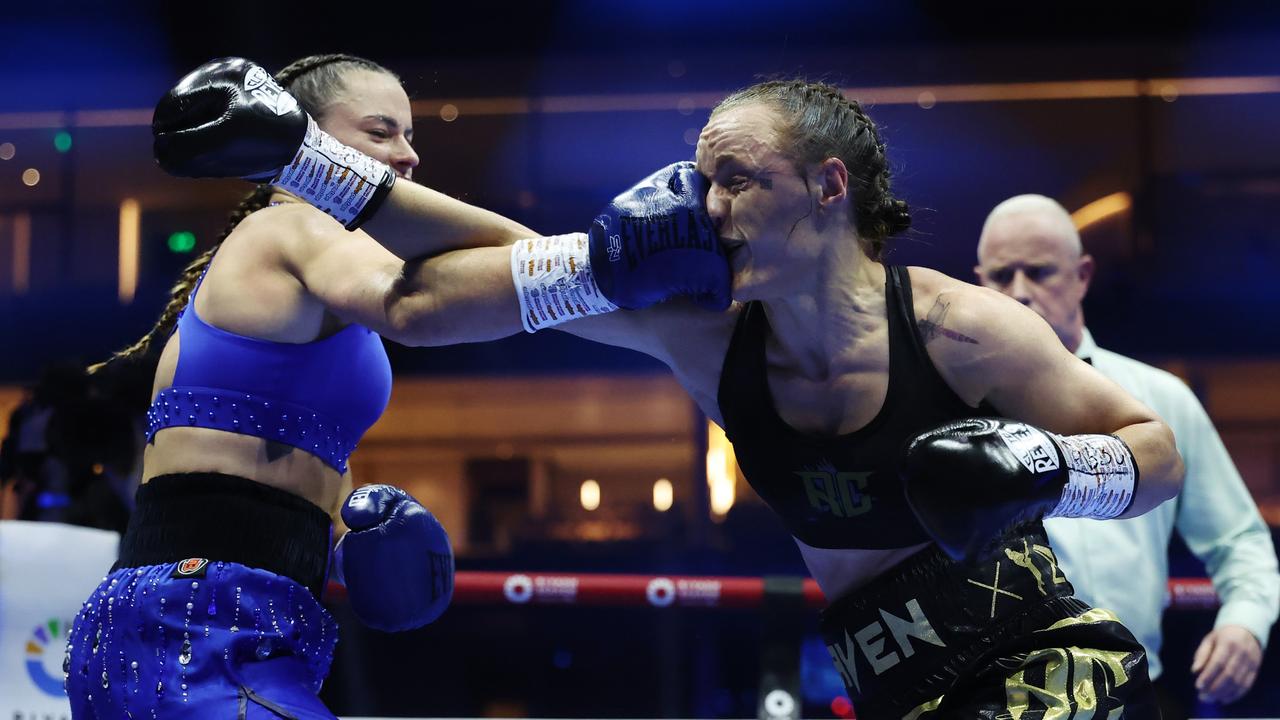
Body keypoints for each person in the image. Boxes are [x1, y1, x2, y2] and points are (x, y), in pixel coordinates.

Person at [158, 62, 1186, 718]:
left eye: (737, 178)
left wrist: (1056, 468)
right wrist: (308, 160)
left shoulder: (960, 328)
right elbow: (517, 259)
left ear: (828, 188)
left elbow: (1154, 450)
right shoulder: (709, 344)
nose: (708, 206)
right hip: (891, 692)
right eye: (699, 180)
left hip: (1044, 672)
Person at [63, 55, 499, 720]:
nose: (408, 156)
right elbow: (422, 307)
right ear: (305, 139)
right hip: (193, 628)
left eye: (411, 136)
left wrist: (350, 549)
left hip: (238, 623)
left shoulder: (321, 271)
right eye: (382, 133)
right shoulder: (290, 227)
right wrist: (591, 269)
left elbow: (282, 466)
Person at [975, 193, 1280, 714]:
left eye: (1040, 271)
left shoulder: (1158, 399)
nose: (1020, 293)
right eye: (1002, 276)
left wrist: (1244, 624)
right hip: (993, 701)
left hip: (1134, 694)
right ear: (979, 282)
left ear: (1083, 275)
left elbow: (1240, 540)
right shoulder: (949, 408)